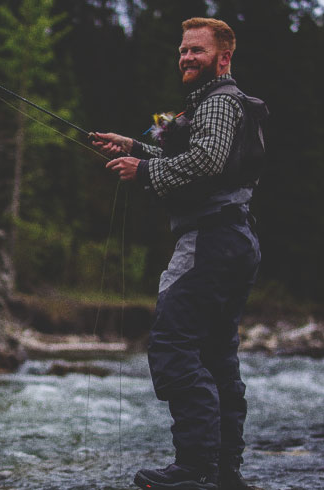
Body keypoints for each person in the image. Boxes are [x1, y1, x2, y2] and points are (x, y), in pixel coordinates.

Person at [92, 17, 267, 490]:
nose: (186, 57)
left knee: (172, 348)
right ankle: (225, 475)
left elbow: (207, 159)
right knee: (215, 358)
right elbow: (190, 149)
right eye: (183, 49)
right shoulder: (216, 106)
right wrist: (131, 146)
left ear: (223, 57)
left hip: (210, 241)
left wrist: (143, 171)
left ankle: (193, 470)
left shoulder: (218, 101)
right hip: (234, 241)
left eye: (197, 50)